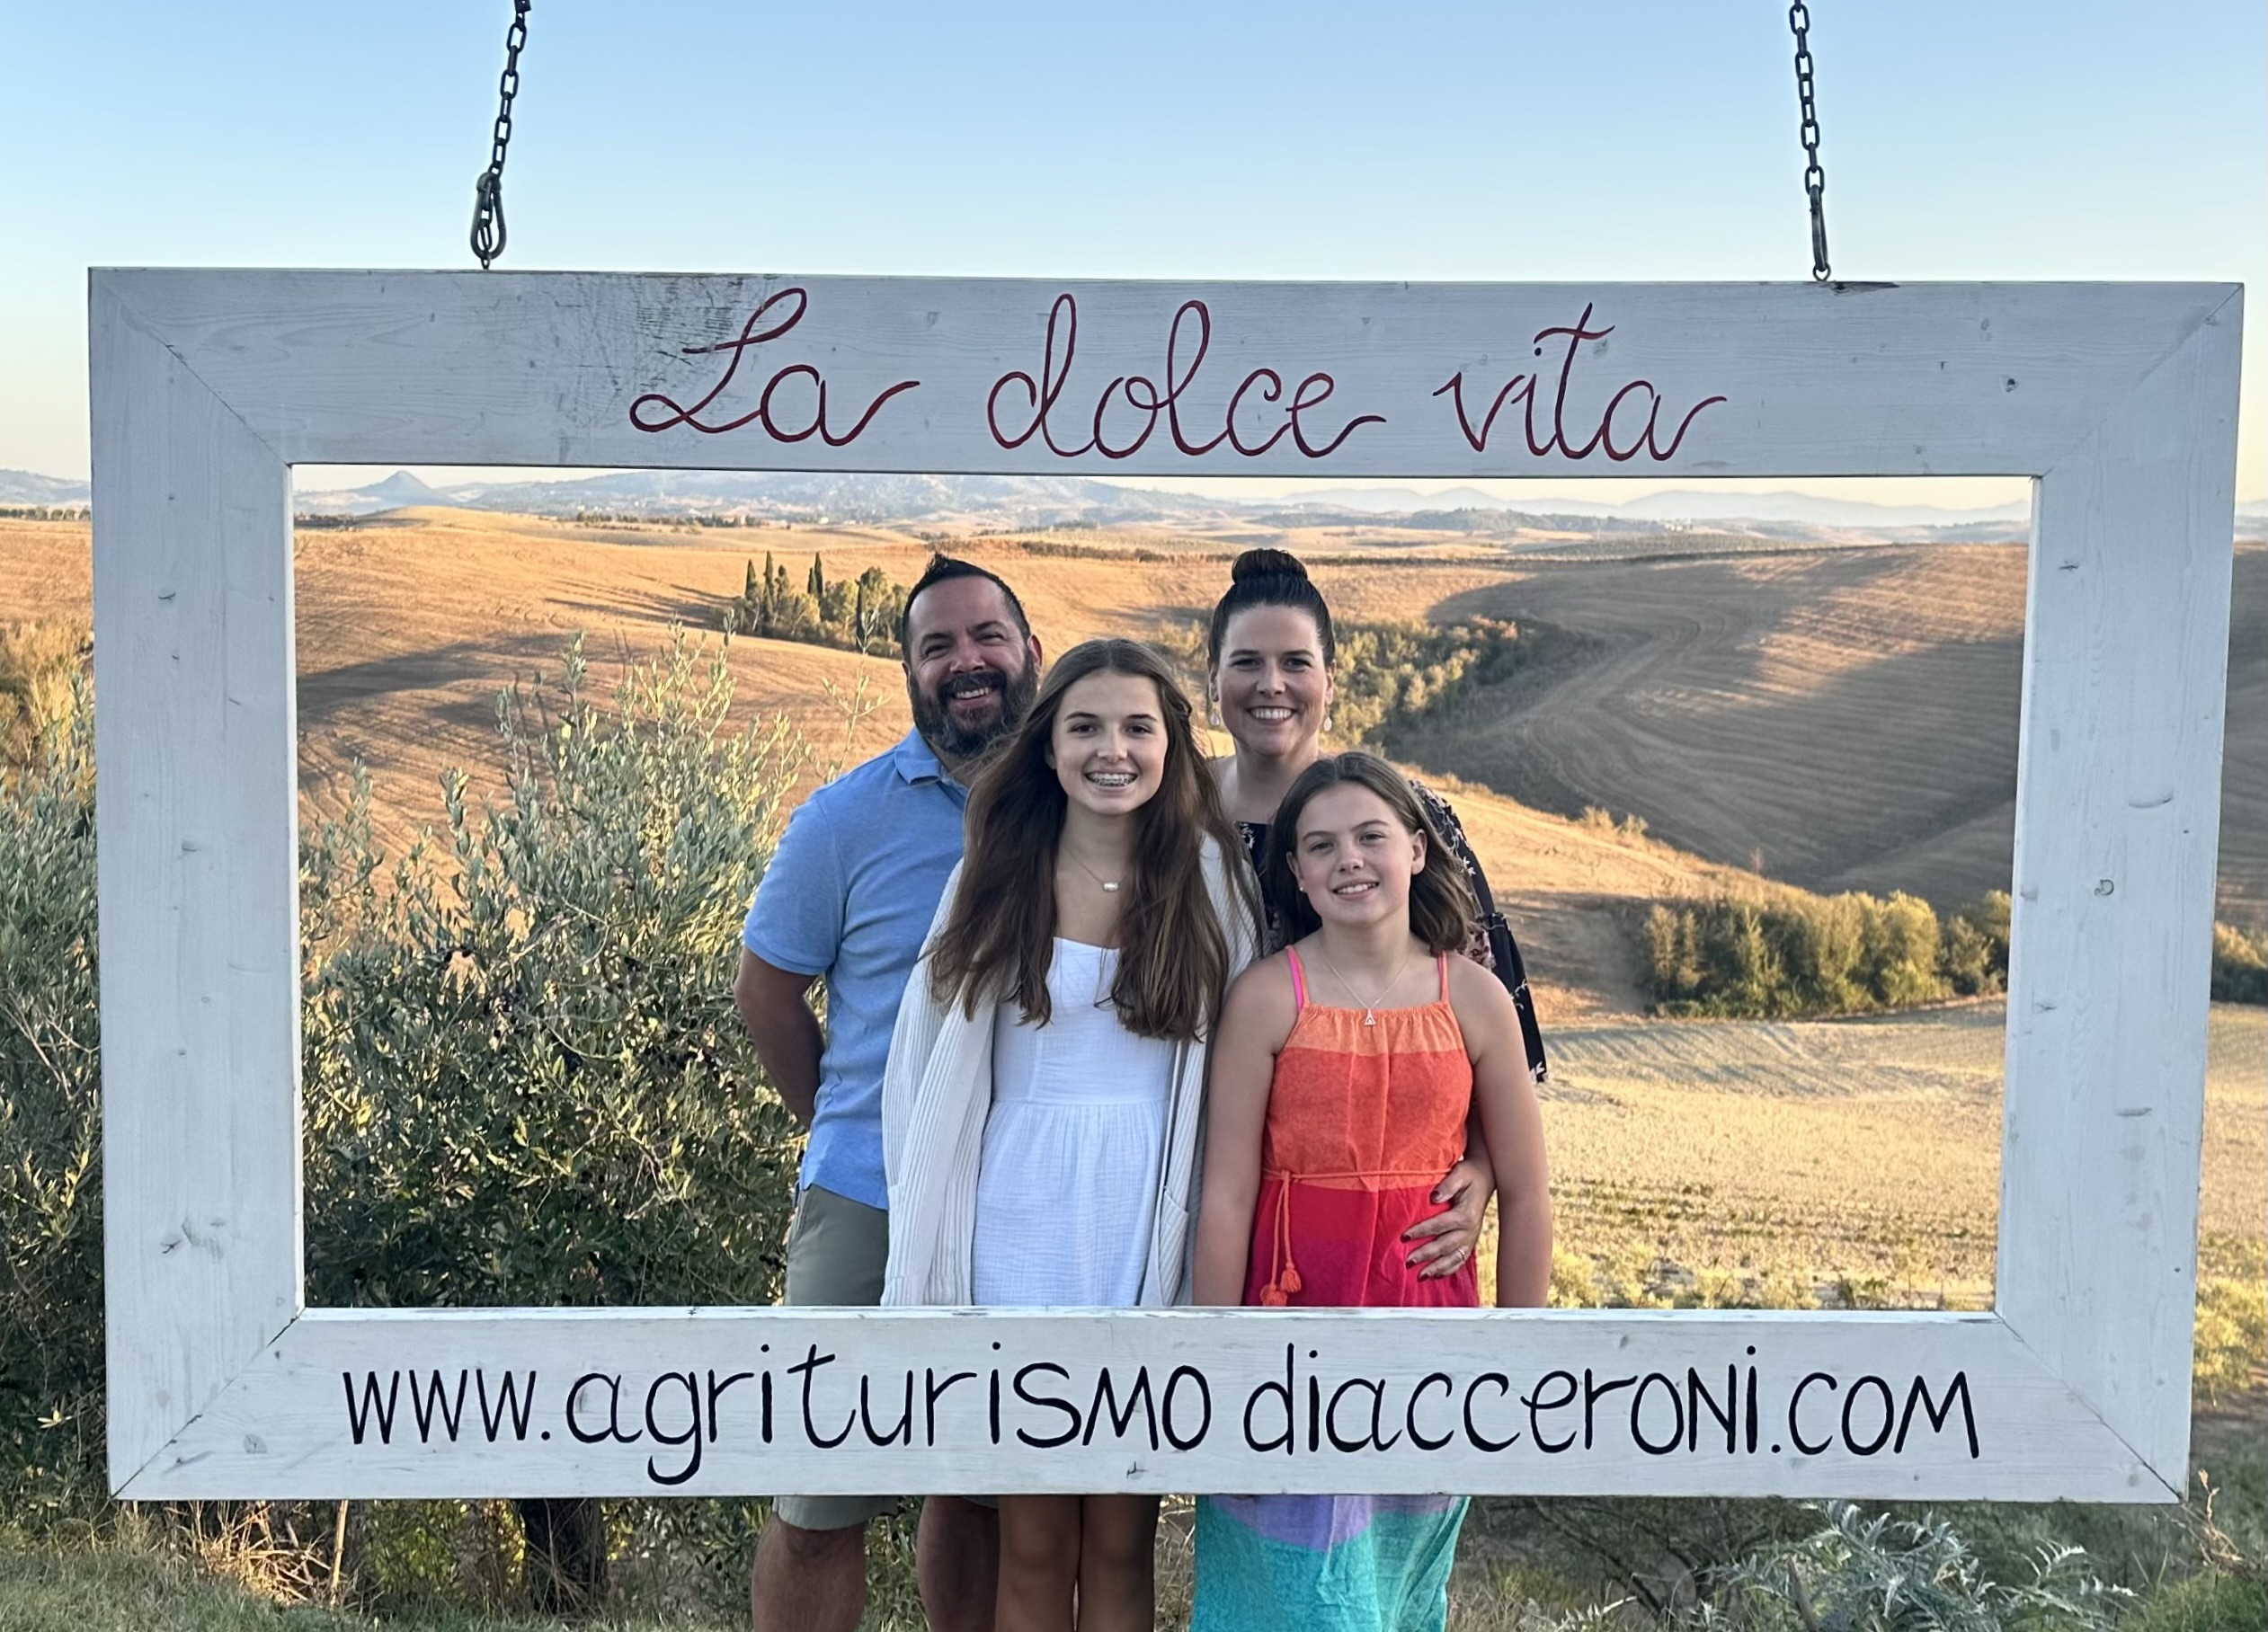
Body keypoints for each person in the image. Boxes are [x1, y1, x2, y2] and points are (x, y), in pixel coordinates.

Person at [881, 638, 1257, 1632]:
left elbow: (1239, 1076)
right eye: (1085, 726)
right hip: (1018, 1230)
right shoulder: (996, 874)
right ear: (1047, 748)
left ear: (1172, 746)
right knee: (1035, 1543)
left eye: (1138, 727)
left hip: (1143, 1226)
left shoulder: (1213, 883)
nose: (1113, 750)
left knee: (1125, 1543)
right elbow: (923, 1065)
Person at [734, 553, 1040, 1632]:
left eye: (986, 637)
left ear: (1029, 651)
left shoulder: (1087, 802)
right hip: (866, 1191)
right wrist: (840, 1126)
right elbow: (766, 990)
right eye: (938, 645)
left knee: (989, 1487)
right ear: (909, 672)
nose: (968, 662)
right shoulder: (844, 820)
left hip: (1023, 1206)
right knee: (821, 1496)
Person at [1189, 751, 1553, 1632]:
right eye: (1320, 845)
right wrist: (1217, 1365)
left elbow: (1530, 1191)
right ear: (1298, 876)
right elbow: (1228, 1193)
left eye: (1370, 836)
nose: (1348, 858)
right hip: (1285, 1342)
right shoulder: (1266, 997)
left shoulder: (1475, 999)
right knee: (1289, 1598)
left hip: (1428, 1338)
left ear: (1419, 850)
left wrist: (1518, 1367)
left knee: (1391, 1597)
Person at [1204, 547, 1551, 1285]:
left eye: (1296, 662)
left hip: (1399, 1241)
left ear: (1332, 679)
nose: (1271, 684)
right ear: (1211, 681)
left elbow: (1489, 1041)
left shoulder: (1415, 815)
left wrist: (1481, 1168)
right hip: (1203, 1190)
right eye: (1246, 663)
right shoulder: (1169, 819)